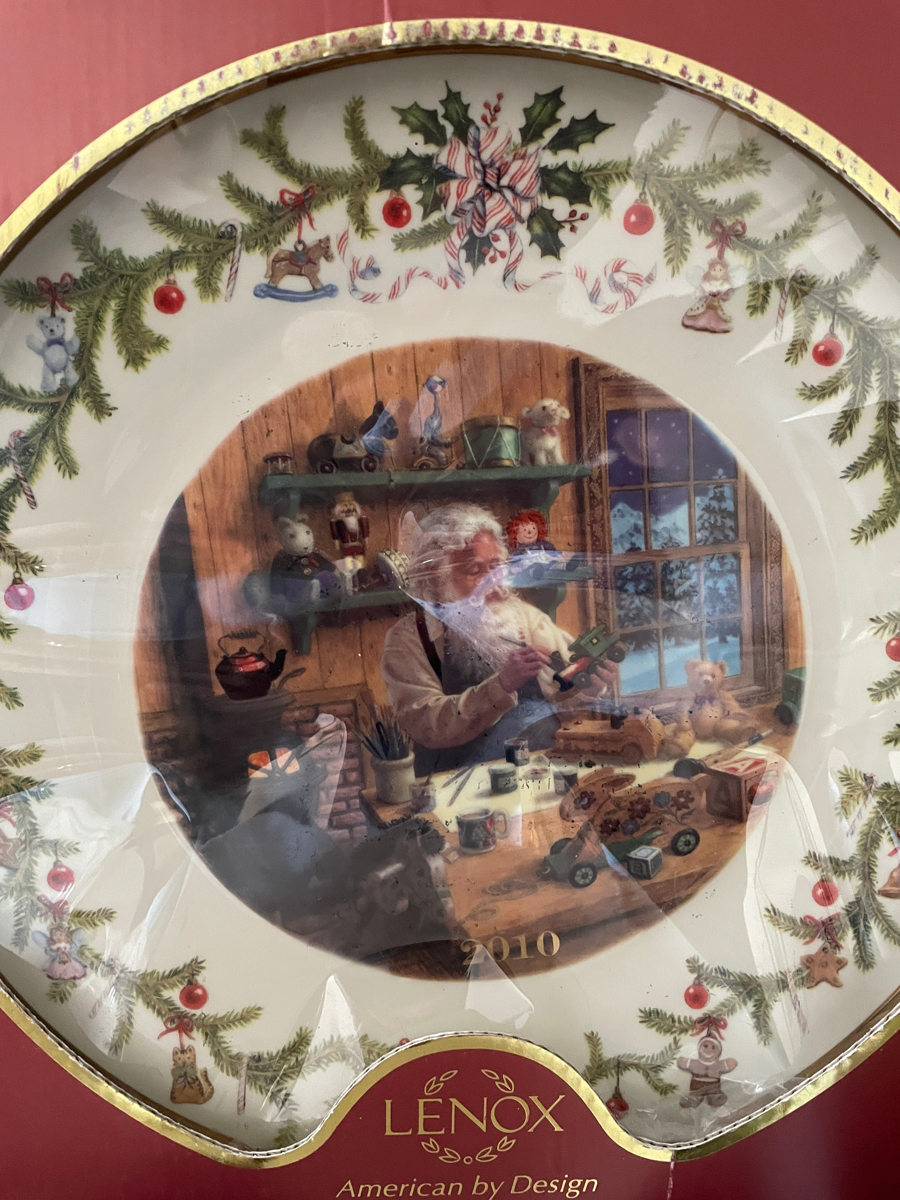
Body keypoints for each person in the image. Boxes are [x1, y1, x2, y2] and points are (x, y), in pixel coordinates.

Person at [381, 503, 615, 775]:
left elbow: (562, 703)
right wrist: (501, 685)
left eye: (496, 566)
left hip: (539, 773)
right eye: (475, 570)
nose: (491, 580)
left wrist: (588, 688)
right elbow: (427, 724)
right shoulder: (409, 639)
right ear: (436, 577)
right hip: (458, 783)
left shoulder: (523, 618)